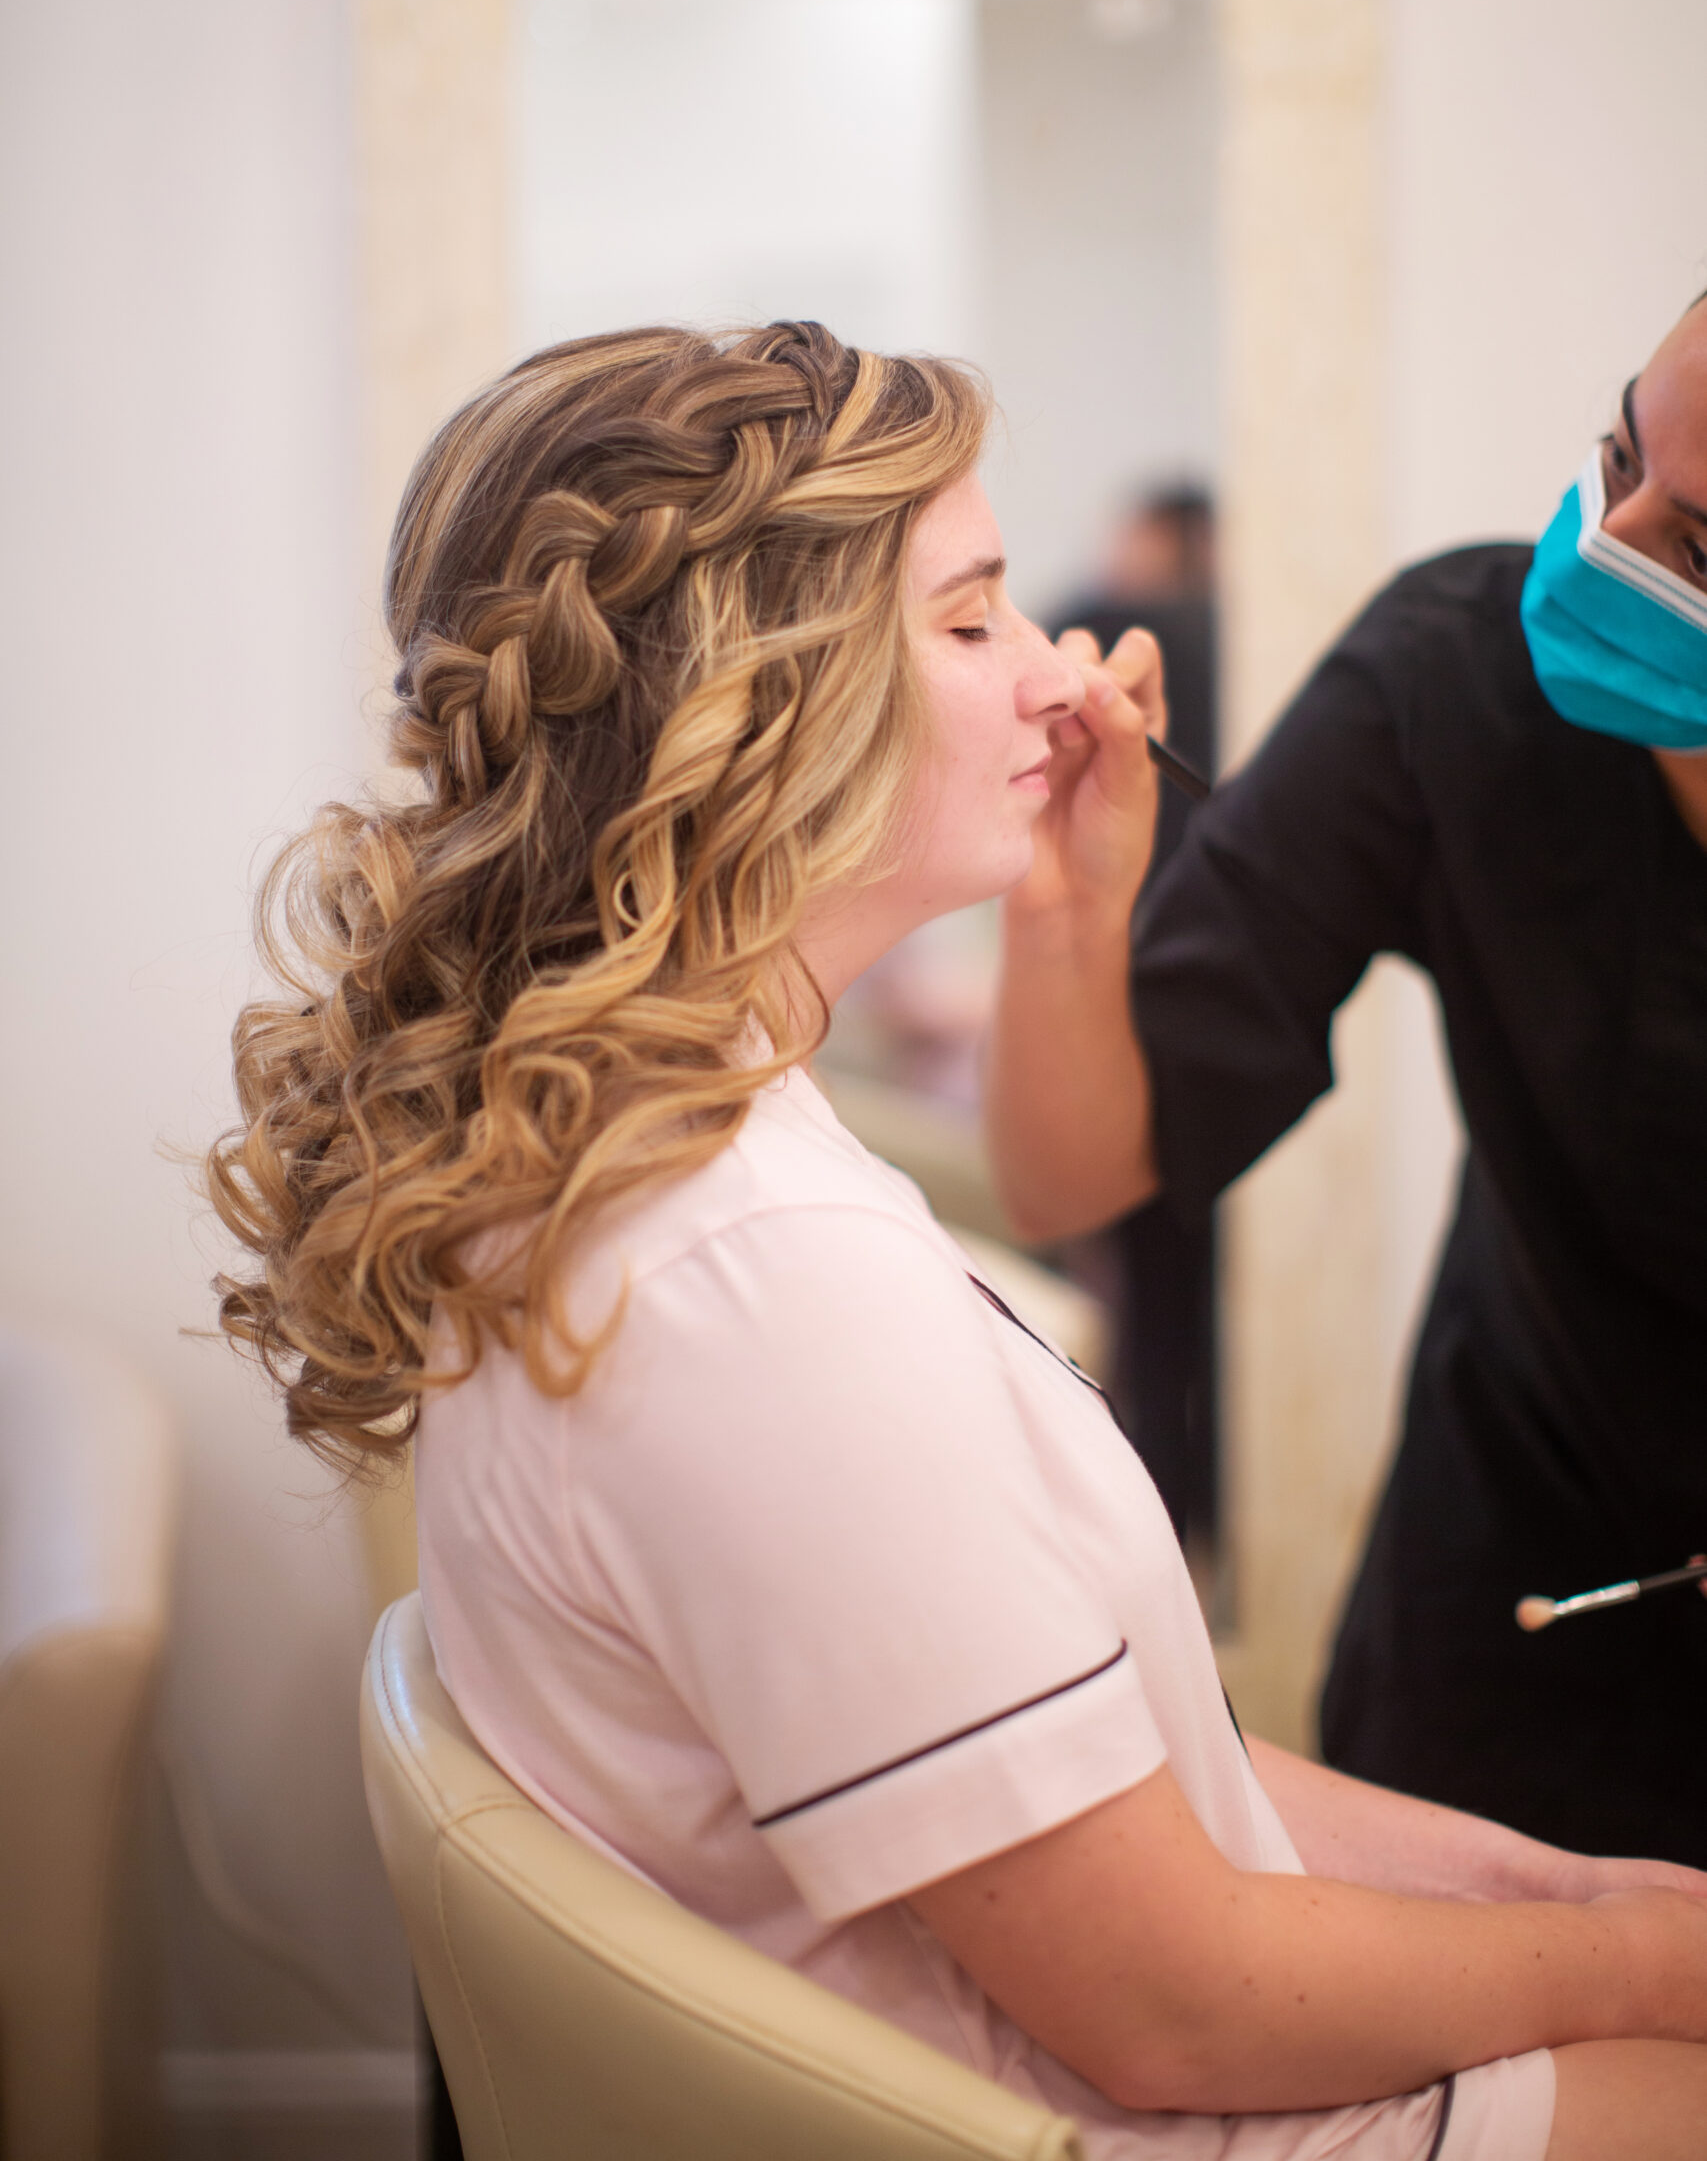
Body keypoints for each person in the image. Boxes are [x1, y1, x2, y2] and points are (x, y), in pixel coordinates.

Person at [207, 322, 1707, 2161]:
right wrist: (1639, 1963)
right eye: (977, 616)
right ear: (767, 703)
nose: (1062, 681)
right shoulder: (748, 1285)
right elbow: (1179, 2001)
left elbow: (1167, 1796)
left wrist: (1580, 1910)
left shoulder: (665, 1160)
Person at [988, 289, 1707, 1874]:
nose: (1607, 545)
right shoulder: (1452, 682)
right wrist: (1064, 908)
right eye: (1615, 453)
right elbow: (1070, 1180)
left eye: (1697, 550)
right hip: (1508, 1624)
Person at [1046, 484, 1220, 1543]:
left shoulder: (1118, 620)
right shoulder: (1235, 631)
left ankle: (1162, 1501)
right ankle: (1186, 1512)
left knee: (1154, 1306)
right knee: (1186, 1300)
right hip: (1195, 977)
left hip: (1141, 980)